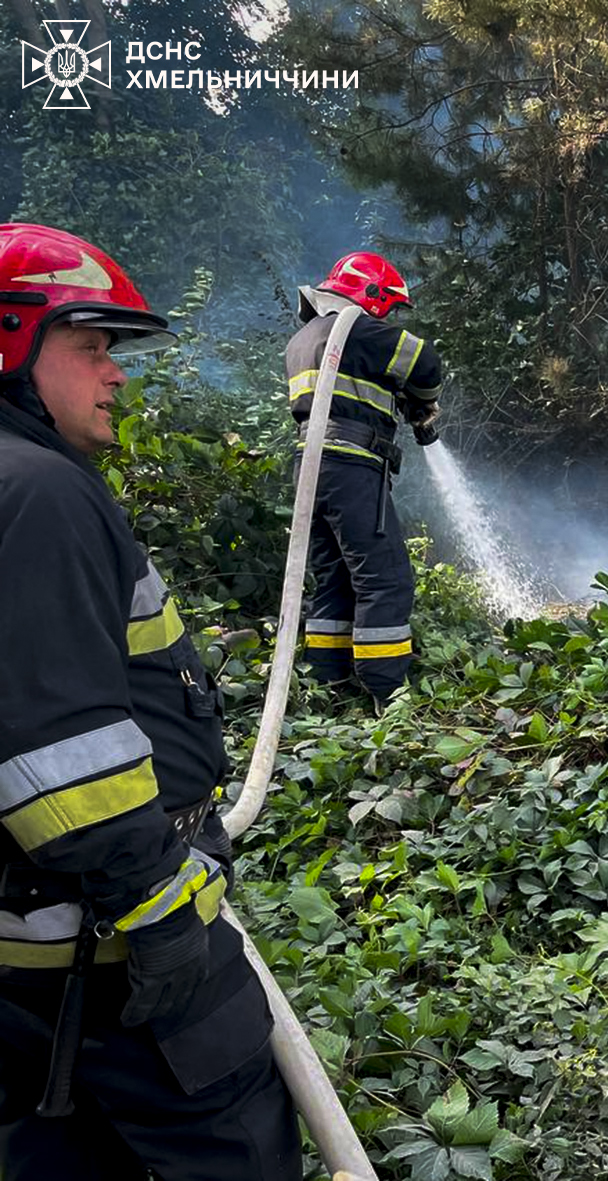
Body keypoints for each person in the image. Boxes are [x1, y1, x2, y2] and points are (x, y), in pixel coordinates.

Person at [0, 223, 300, 1178]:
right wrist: (162, 908)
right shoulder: (38, 492)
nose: (115, 374)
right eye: (90, 346)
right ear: (10, 342)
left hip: (33, 953)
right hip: (107, 948)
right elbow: (61, 744)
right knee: (231, 1147)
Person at [286, 251, 443, 703]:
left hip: (309, 469)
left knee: (332, 577)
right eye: (388, 305)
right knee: (385, 577)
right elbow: (426, 364)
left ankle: (329, 685)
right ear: (369, 293)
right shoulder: (357, 329)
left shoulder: (302, 339)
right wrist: (421, 400)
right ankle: (388, 693)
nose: (388, 315)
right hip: (351, 465)